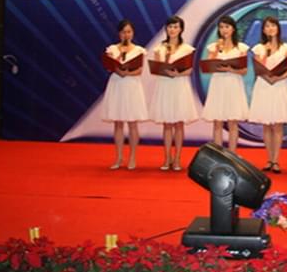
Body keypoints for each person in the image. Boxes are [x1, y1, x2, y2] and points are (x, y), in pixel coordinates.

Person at [248, 16, 287, 174]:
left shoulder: (286, 48)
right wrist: (266, 61)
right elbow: (258, 67)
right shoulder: (259, 48)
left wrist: (278, 77)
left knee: (277, 124)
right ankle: (269, 159)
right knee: (266, 125)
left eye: (273, 25)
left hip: (279, 85)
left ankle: (276, 160)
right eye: (267, 26)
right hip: (264, 86)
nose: (270, 28)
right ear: (263, 30)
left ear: (278, 28)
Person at [149, 15, 199, 171]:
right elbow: (156, 68)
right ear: (166, 29)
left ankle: (177, 158)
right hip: (165, 85)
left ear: (181, 29)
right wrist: (164, 68)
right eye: (170, 27)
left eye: (176, 27)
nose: (172, 30)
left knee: (178, 124)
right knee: (167, 124)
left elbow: (189, 70)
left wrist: (178, 73)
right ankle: (167, 158)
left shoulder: (187, 49)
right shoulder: (159, 48)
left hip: (179, 86)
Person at [101, 19, 149, 170]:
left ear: (132, 33)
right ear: (119, 33)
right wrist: (117, 68)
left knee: (132, 123)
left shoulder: (139, 50)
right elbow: (109, 66)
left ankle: (133, 157)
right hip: (117, 85)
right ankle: (119, 157)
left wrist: (127, 72)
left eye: (128, 32)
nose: (126, 35)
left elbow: (139, 70)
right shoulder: (112, 49)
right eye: (123, 32)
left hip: (132, 86)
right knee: (118, 123)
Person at [202, 16, 249, 152]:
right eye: (221, 27)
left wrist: (230, 69)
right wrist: (217, 49)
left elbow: (244, 70)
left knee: (233, 122)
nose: (224, 30)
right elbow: (208, 67)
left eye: (227, 27)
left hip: (233, 84)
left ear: (233, 29)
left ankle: (232, 154)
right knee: (217, 122)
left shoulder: (241, 48)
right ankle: (218, 154)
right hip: (218, 84)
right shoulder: (213, 47)